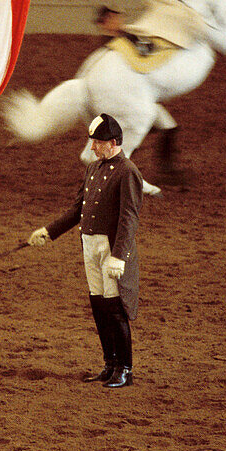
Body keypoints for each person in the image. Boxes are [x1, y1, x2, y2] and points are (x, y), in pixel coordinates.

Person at [26, 113, 143, 388]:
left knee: (115, 310)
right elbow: (78, 210)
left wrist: (118, 255)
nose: (92, 147)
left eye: (97, 142)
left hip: (110, 250)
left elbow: (129, 218)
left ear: (112, 142)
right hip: (90, 246)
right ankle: (110, 363)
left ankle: (125, 368)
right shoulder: (94, 169)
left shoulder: (128, 172)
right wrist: (49, 231)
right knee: (100, 308)